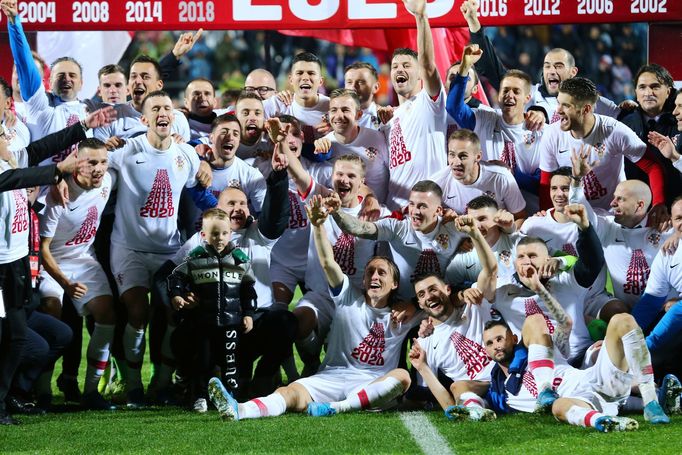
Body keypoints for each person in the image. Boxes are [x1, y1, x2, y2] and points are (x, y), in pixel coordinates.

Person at [207, 196, 417, 421]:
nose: (374, 276)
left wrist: (415, 304)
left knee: (402, 376)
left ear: (395, 283)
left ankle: (338, 408)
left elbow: (442, 302)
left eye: (382, 272)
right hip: (331, 377)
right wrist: (317, 225)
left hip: (373, 384)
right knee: (289, 393)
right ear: (363, 280)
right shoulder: (347, 296)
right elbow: (328, 262)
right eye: (370, 272)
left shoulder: (405, 312)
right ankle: (239, 410)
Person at [0, 108, 114, 425]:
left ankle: (18, 395)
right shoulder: (17, 173)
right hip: (3, 268)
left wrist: (82, 127)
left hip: (16, 263)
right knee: (16, 338)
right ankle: (16, 398)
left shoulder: (12, 153)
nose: (6, 140)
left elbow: (35, 152)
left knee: (44, 336)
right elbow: (8, 180)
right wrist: (55, 174)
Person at [106, 90, 206, 407]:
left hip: (168, 251)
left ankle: (161, 384)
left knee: (174, 314)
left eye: (168, 107)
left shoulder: (187, 155)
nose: (163, 112)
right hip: (129, 247)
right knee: (137, 312)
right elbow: (97, 170)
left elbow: (198, 193)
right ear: (144, 119)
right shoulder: (126, 151)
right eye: (156, 108)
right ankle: (133, 385)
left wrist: (206, 171)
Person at [450, 314, 677, 431]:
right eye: (489, 343)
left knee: (622, 320)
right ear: (486, 350)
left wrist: (537, 286)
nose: (496, 346)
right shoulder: (499, 388)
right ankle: (603, 421)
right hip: (578, 402)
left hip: (596, 380)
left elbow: (539, 323)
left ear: (513, 338)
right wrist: (472, 408)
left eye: (500, 338)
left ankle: (651, 402)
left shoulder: (539, 352)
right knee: (559, 407)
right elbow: (458, 387)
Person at [38, 138, 118, 410]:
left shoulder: (107, 180)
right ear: (76, 162)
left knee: (107, 313)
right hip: (53, 262)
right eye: (91, 162)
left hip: (83, 258)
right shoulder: (56, 195)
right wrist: (65, 283)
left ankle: (91, 391)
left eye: (103, 162)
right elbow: (43, 248)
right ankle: (42, 391)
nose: (98, 169)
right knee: (52, 310)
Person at [459, 0, 621, 123]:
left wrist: (632, 107)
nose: (551, 71)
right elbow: (492, 68)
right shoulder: (529, 93)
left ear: (573, 72)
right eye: (547, 66)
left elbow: (621, 116)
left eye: (558, 66)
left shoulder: (589, 99)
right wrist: (474, 24)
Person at [538, 77, 667, 228]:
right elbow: (546, 181)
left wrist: (659, 203)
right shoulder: (552, 134)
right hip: (572, 215)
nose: (558, 110)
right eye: (558, 103)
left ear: (586, 109)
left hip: (613, 216)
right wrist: (546, 215)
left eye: (566, 105)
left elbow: (652, 166)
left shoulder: (614, 131)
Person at [488, 204, 603, 366]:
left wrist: (585, 228)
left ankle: (645, 386)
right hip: (541, 365)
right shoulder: (503, 290)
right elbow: (480, 287)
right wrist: (460, 296)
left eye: (533, 255)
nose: (526, 261)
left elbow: (593, 263)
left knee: (611, 338)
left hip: (582, 356)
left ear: (548, 259)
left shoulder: (566, 280)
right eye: (521, 257)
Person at [168, 208, 257, 411]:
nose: (220, 238)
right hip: (203, 323)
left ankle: (230, 396)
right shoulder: (195, 259)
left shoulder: (240, 260)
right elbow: (176, 278)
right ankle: (199, 396)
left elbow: (249, 291)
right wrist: (177, 295)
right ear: (204, 235)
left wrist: (249, 315)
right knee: (204, 361)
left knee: (230, 361)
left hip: (231, 323)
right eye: (215, 233)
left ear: (230, 233)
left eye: (224, 233)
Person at [408, 214, 497, 413]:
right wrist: (421, 367)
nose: (429, 296)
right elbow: (447, 404)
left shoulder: (473, 303)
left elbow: (490, 271)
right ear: (420, 304)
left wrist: (474, 233)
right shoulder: (424, 341)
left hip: (505, 375)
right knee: (458, 387)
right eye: (422, 294)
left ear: (448, 289)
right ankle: (476, 411)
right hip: (473, 391)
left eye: (433, 289)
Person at [447, 44, 544, 214]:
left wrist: (508, 173)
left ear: (528, 98)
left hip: (532, 216)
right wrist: (464, 67)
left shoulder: (542, 131)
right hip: (492, 218)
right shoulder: (485, 118)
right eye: (505, 90)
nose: (509, 95)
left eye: (516, 91)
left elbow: (545, 183)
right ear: (498, 95)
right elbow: (453, 107)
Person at [329, 180, 464, 300]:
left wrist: (470, 239)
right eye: (412, 204)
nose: (415, 211)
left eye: (422, 206)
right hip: (400, 306)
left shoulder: (453, 229)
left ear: (438, 210)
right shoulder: (398, 228)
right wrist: (336, 211)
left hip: (439, 302)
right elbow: (360, 228)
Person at [383, 0, 447, 210]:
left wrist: (421, 17)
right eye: (395, 66)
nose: (399, 69)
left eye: (406, 65)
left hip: (430, 208)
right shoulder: (390, 119)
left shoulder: (429, 103)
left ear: (418, 72)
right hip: (396, 212)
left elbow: (429, 66)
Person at [619, 64, 681, 206]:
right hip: (633, 210)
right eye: (642, 87)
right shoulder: (622, 121)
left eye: (655, 87)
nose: (648, 93)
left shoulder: (679, 121)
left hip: (675, 209)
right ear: (635, 92)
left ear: (668, 91)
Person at [314, 88, 389, 203]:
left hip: (380, 215)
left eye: (345, 110)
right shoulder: (324, 146)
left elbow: (395, 173)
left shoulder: (377, 138)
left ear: (358, 115)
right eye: (334, 110)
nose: (338, 116)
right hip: (345, 217)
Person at [429, 129, 526, 217]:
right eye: (452, 155)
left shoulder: (501, 178)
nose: (456, 162)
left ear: (478, 157)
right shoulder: (437, 184)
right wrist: (441, 221)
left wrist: (507, 229)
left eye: (463, 156)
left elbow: (520, 217)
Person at [343, 62, 380, 129]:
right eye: (349, 82)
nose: (353, 87)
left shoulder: (385, 119)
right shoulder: (333, 118)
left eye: (360, 82)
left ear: (375, 87)